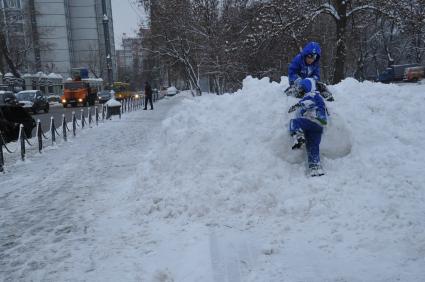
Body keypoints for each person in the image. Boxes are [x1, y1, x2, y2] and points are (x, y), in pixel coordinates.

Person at [287, 78, 328, 177]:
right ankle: (315, 167)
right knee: (313, 146)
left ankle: (299, 136)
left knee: (294, 122)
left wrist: (298, 105)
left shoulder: (312, 94)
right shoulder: (319, 97)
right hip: (319, 126)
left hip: (312, 120)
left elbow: (308, 102)